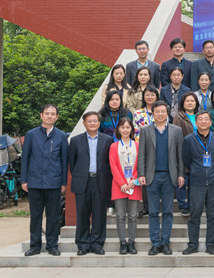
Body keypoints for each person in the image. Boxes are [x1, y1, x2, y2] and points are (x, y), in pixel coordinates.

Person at [137, 101, 185, 256]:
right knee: (152, 212)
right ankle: (155, 243)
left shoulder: (176, 131)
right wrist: (141, 174)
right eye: (157, 111)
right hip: (152, 176)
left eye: (163, 111)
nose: (160, 114)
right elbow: (141, 154)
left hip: (170, 176)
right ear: (153, 113)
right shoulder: (145, 131)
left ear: (167, 113)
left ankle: (165, 242)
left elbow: (180, 155)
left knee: (168, 212)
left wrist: (181, 174)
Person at [22, 104, 68, 257]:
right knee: (35, 216)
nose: (49, 116)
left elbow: (64, 160)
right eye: (47, 113)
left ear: (57, 117)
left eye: (53, 114)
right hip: (34, 182)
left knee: (53, 217)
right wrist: (24, 180)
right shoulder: (31, 134)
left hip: (54, 182)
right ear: (41, 115)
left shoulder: (61, 136)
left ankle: (52, 245)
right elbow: (25, 158)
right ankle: (35, 246)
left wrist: (63, 182)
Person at [68, 111, 113, 255]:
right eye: (90, 121)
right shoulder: (75, 141)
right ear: (84, 123)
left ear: (99, 123)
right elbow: (72, 163)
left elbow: (109, 163)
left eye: (95, 121)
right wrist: (81, 175)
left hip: (100, 181)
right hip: (82, 182)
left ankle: (97, 244)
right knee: (82, 215)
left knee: (99, 215)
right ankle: (83, 245)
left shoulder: (107, 140)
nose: (93, 123)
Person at [181, 110, 214, 255]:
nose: (203, 122)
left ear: (210, 122)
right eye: (200, 119)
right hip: (196, 183)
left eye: (206, 119)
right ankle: (193, 244)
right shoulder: (188, 140)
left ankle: (210, 244)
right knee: (194, 215)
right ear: (196, 122)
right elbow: (186, 160)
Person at [109, 118, 141, 255]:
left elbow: (140, 164)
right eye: (123, 127)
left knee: (133, 215)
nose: (125, 130)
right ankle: (122, 242)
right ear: (118, 130)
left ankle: (131, 242)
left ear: (132, 129)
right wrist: (122, 183)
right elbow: (113, 166)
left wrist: (133, 180)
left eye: (128, 127)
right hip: (119, 185)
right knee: (120, 216)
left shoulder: (138, 145)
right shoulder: (113, 146)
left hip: (134, 184)